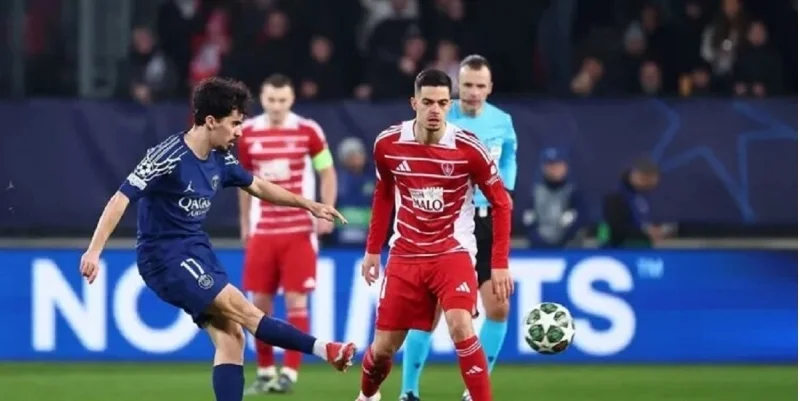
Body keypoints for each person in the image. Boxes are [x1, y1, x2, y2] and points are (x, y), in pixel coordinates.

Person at [78, 77, 355, 401]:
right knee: (245, 310)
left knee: (231, 337)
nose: (239, 132)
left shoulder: (221, 159)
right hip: (165, 258)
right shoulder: (167, 156)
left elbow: (258, 186)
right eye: (234, 123)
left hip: (197, 251)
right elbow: (121, 198)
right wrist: (94, 251)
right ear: (211, 121)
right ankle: (326, 349)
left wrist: (309, 204)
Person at [355, 69, 514, 401]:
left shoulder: (469, 148)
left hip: (452, 250)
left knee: (460, 325)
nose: (435, 110)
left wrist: (499, 263)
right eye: (427, 102)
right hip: (405, 253)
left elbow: (502, 202)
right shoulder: (388, 144)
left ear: (449, 105)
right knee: (383, 350)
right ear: (414, 103)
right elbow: (383, 195)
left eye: (442, 103)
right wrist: (372, 249)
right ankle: (368, 396)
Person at [400, 55, 517, 401]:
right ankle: (409, 390)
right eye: (467, 85)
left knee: (499, 306)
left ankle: (473, 391)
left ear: (490, 88)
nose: (473, 92)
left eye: (480, 86)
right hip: (449, 220)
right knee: (431, 310)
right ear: (456, 88)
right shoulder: (440, 118)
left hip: (487, 220)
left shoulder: (502, 122)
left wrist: (505, 187)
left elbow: (509, 156)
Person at [237, 74, 338, 394]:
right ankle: (265, 371)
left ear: (291, 100)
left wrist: (327, 209)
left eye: (282, 100)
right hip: (263, 230)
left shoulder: (308, 130)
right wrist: (245, 223)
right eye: (271, 100)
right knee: (258, 305)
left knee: (296, 301)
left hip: (298, 231)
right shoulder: (248, 133)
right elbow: (242, 182)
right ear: (262, 99)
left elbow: (327, 171)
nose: (277, 106)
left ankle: (289, 374)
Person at [598, 157, 669, 248]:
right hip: (618, 250)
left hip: (640, 249)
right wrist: (645, 232)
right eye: (648, 179)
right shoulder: (616, 196)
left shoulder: (642, 197)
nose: (652, 183)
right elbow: (614, 229)